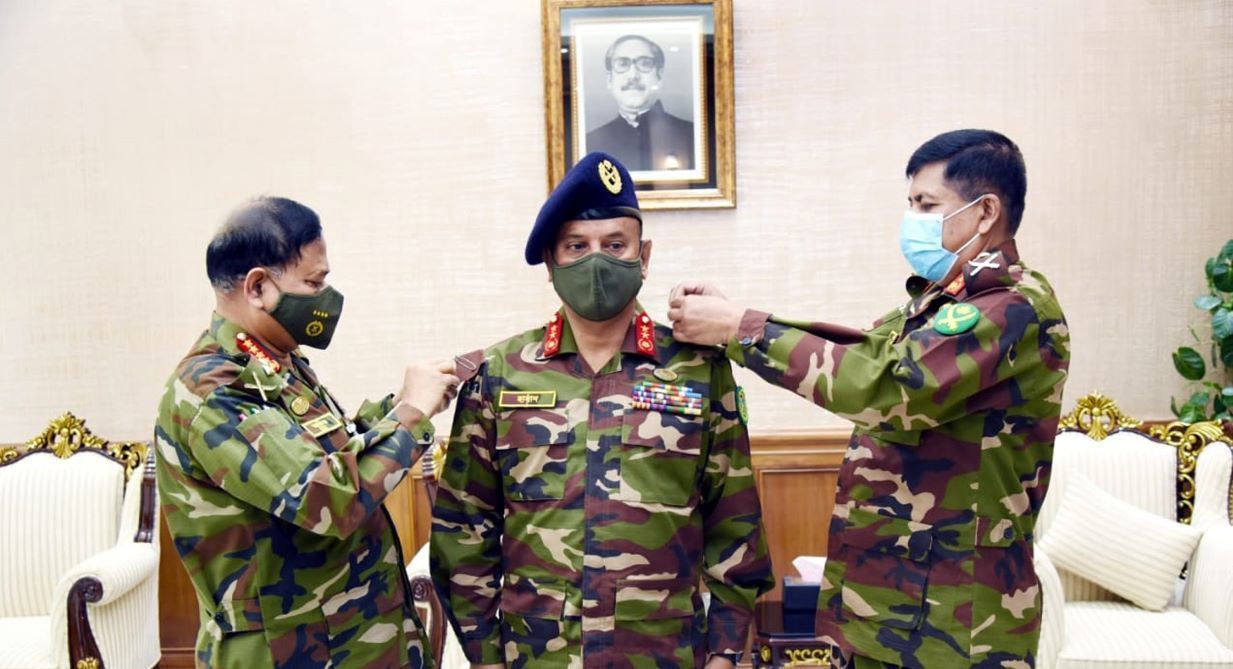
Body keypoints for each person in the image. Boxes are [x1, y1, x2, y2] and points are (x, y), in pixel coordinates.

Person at [668, 130, 1071, 668]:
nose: (912, 219)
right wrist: (736, 318)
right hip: (894, 609)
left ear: (985, 212)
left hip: (958, 626)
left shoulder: (1012, 309)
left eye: (927, 205)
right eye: (911, 203)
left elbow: (885, 386)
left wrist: (738, 327)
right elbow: (858, 353)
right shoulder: (936, 305)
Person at [430, 152, 772, 669]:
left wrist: (725, 654)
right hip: (538, 656)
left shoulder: (700, 370)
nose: (597, 261)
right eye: (577, 246)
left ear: (644, 256)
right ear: (551, 264)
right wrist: (485, 657)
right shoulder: (499, 375)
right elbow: (464, 531)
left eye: (615, 245)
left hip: (665, 654)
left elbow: (735, 524)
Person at [154, 196, 459, 669]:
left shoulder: (275, 362)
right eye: (314, 282)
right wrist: (412, 415)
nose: (325, 296)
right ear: (258, 286)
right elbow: (329, 498)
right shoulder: (214, 391)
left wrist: (399, 406)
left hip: (353, 635)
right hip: (292, 651)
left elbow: (331, 452)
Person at [585, 34, 695, 172]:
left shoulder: (693, 137)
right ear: (609, 80)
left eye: (644, 64)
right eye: (622, 64)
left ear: (659, 76)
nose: (633, 75)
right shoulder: (588, 143)